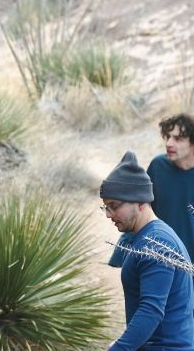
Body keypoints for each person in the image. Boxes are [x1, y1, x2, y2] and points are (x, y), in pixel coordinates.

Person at [100, 151, 194, 350]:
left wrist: (120, 348)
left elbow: (150, 311)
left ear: (140, 202)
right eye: (106, 207)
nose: (109, 214)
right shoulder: (146, 237)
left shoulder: (157, 243)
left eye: (113, 206)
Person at [109, 113, 194, 267]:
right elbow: (141, 210)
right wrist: (123, 250)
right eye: (167, 137)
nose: (169, 143)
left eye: (177, 139)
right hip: (159, 256)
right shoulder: (158, 166)